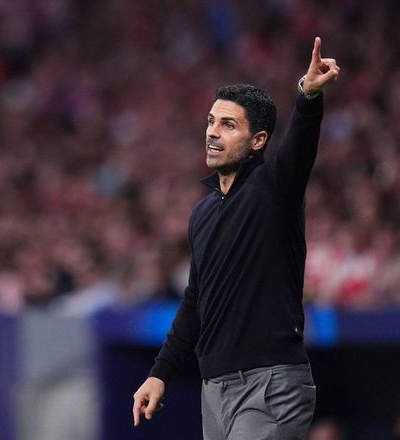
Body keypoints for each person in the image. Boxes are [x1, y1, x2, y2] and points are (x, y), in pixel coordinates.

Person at [132, 37, 340, 439]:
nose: (213, 132)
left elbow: (300, 145)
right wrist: (159, 373)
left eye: (228, 125)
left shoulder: (274, 189)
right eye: (211, 121)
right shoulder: (202, 213)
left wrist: (308, 96)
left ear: (257, 140)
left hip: (271, 384)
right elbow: (195, 301)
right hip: (214, 391)